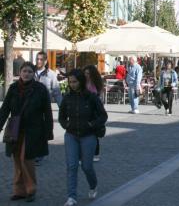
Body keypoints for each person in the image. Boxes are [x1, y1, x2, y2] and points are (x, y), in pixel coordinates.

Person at [0, 62, 53, 202]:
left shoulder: (40, 89)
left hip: (33, 129)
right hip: (15, 127)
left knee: (26, 159)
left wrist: (49, 130)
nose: (27, 74)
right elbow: (5, 108)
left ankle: (31, 189)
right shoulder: (13, 88)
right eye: (24, 71)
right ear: (20, 72)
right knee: (17, 160)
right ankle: (19, 190)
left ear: (33, 74)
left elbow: (47, 111)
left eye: (30, 71)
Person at [59, 69, 107, 206]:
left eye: (75, 82)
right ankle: (71, 197)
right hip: (71, 135)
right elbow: (61, 117)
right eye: (70, 82)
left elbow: (103, 116)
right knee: (72, 165)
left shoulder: (91, 97)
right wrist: (66, 124)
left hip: (88, 135)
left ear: (81, 81)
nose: (72, 85)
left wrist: (91, 124)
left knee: (86, 166)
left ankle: (93, 185)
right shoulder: (67, 98)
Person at [83, 65, 105, 162]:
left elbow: (98, 98)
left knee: (94, 134)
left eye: (88, 73)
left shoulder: (95, 84)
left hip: (94, 112)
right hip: (84, 110)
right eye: (85, 73)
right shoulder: (83, 83)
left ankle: (96, 154)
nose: (86, 75)